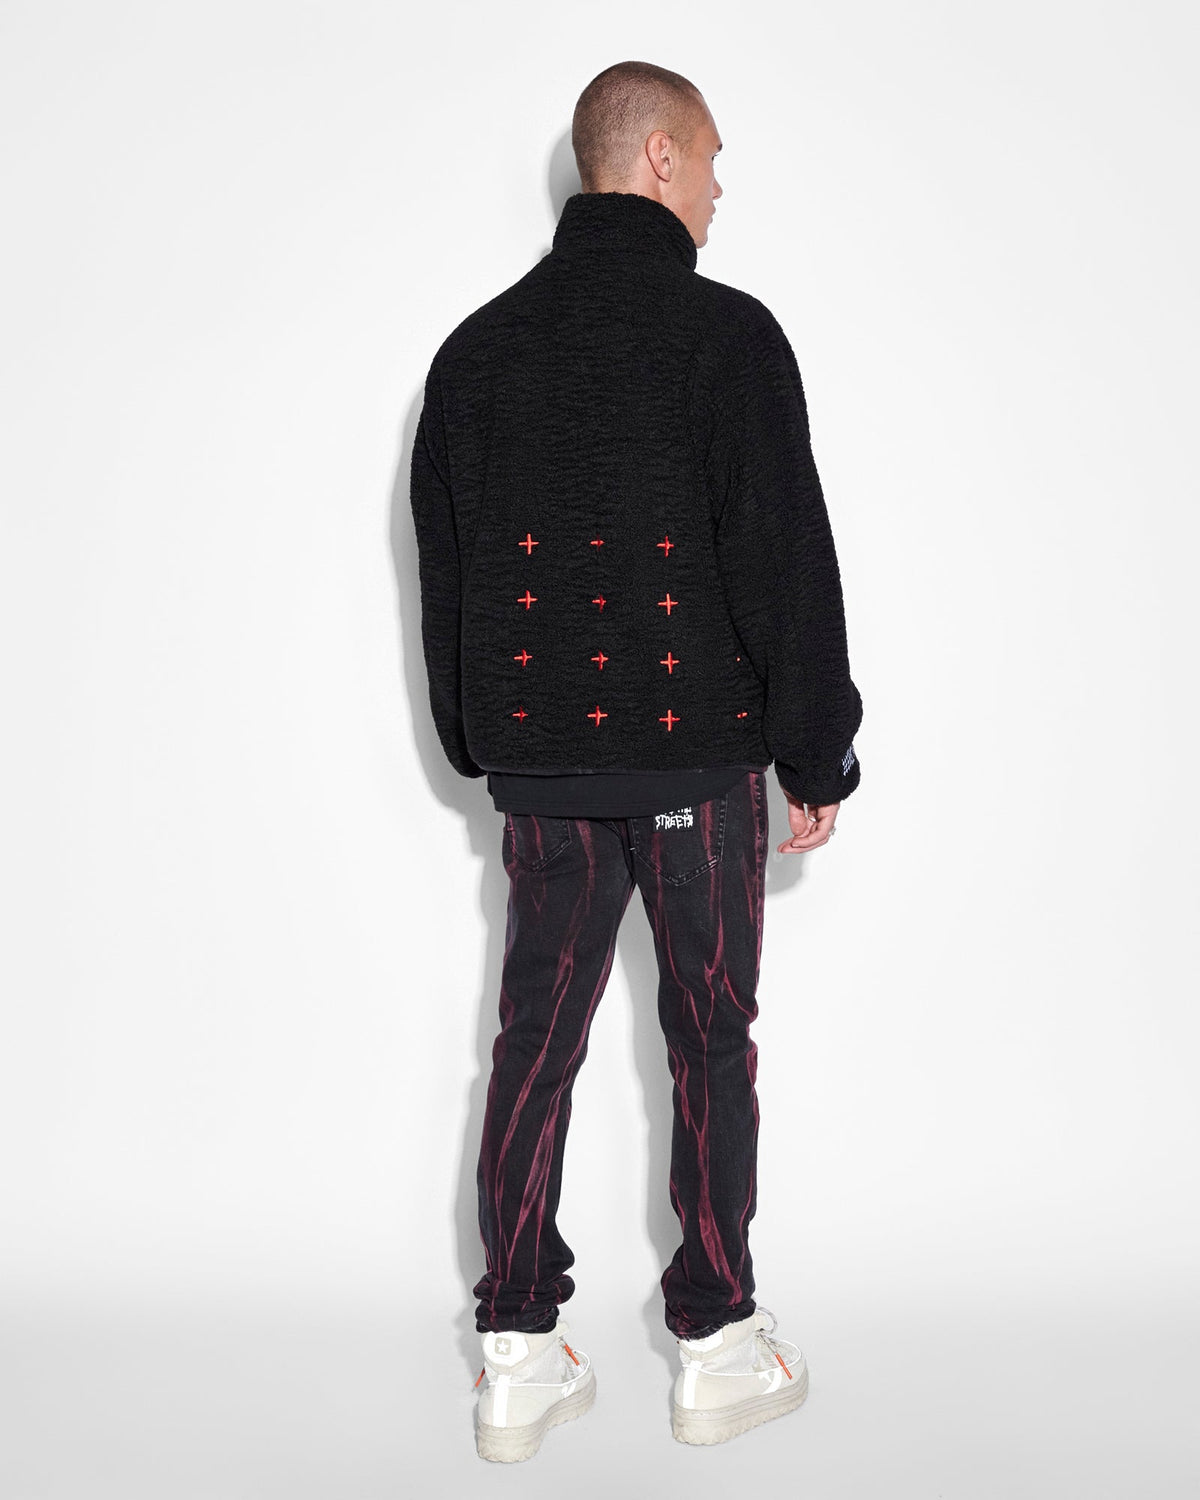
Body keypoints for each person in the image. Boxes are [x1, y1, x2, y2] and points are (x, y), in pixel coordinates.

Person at [409, 60, 863, 1462]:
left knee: (532, 1043)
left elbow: (449, 575)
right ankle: (716, 1343)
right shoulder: (728, 338)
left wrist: (485, 743)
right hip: (696, 771)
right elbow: (785, 560)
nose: (722, 188)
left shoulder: (476, 354)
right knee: (709, 1039)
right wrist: (818, 754)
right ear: (657, 155)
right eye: (712, 158)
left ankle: (514, 1351)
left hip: (543, 777)